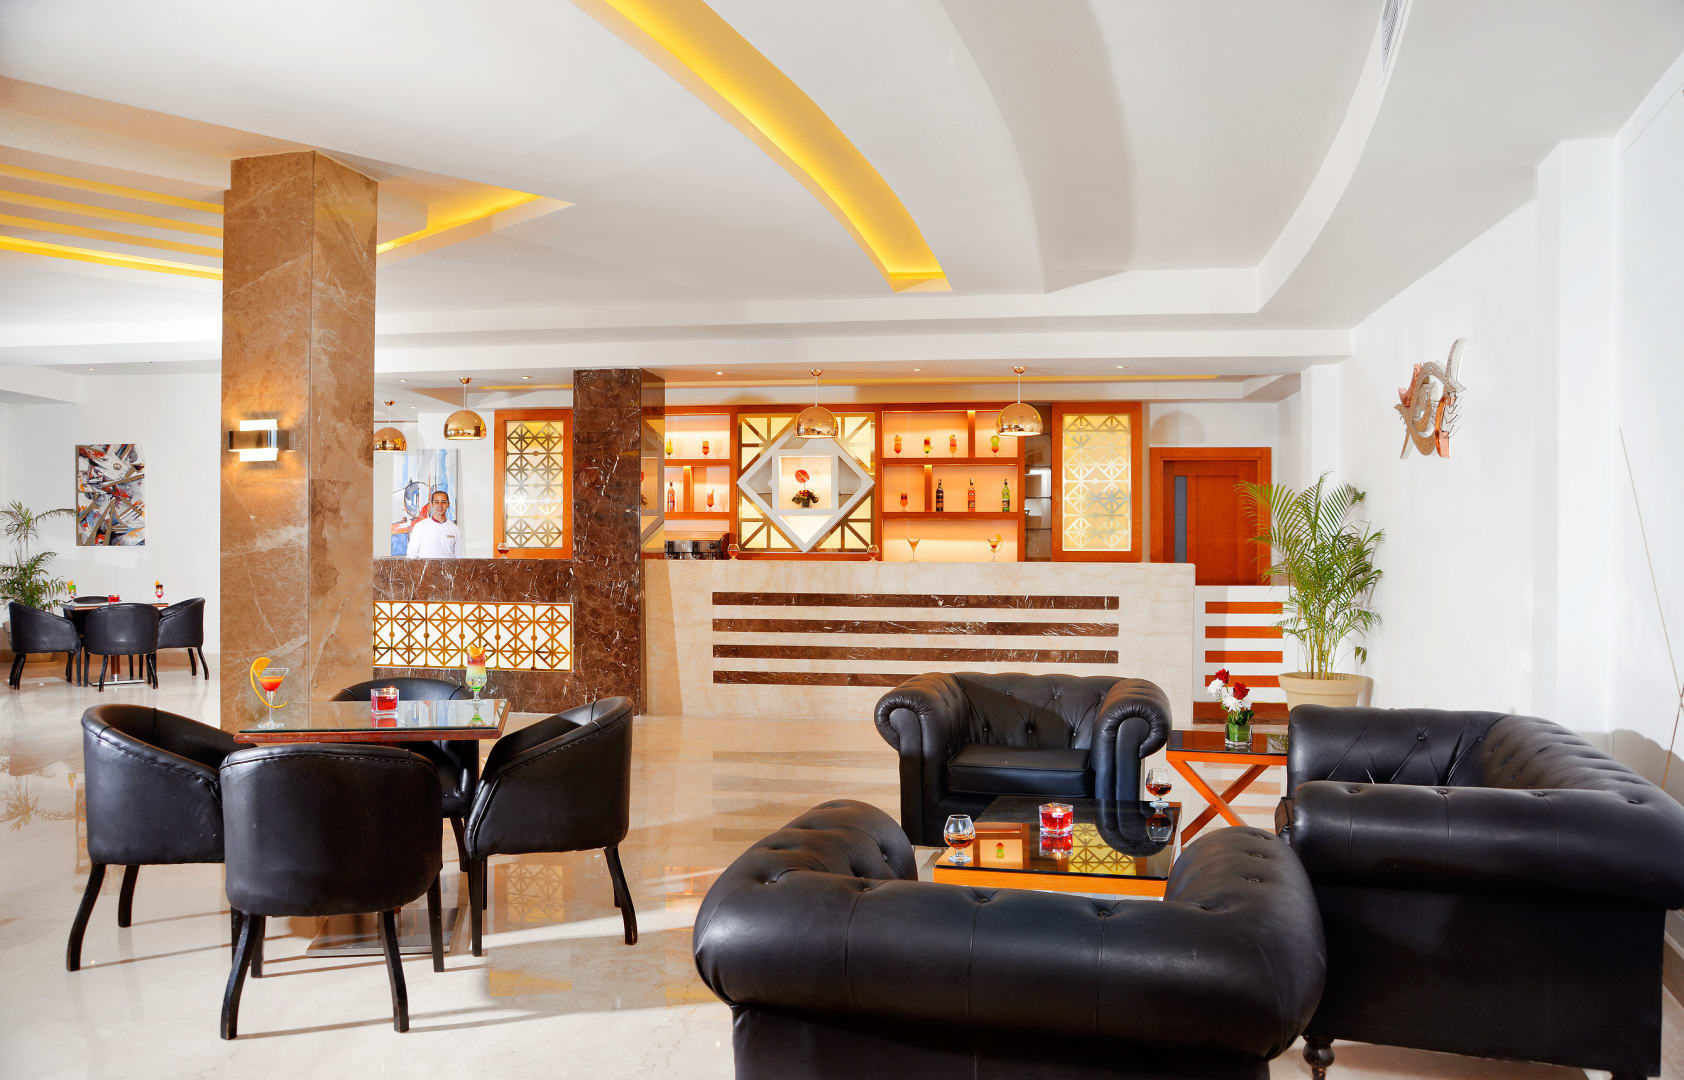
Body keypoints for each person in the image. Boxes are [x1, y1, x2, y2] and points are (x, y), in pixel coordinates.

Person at [406, 489, 460, 558]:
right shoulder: (420, 527)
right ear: (432, 504)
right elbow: (411, 556)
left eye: (443, 502)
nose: (440, 505)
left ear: (448, 504)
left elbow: (460, 557)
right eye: (436, 502)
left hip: (449, 565)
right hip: (425, 565)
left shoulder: (455, 529)